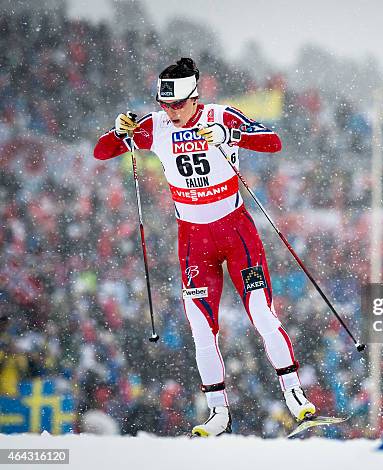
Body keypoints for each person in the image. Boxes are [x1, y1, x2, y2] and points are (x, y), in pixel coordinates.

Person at [93, 57, 315, 436]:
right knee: (200, 327)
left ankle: (294, 393)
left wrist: (231, 137)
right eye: (166, 105)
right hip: (194, 239)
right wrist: (117, 132)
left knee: (261, 314)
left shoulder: (221, 116)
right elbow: (102, 151)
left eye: (179, 105)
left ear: (195, 98)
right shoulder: (156, 126)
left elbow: (273, 141)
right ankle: (217, 412)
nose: (172, 113)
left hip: (236, 230)